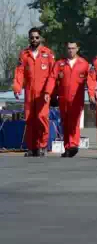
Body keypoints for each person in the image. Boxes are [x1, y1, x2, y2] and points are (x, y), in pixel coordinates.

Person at [13, 27, 56, 157]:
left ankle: (42, 146)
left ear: (40, 38)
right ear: (29, 38)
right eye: (32, 37)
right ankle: (32, 148)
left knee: (42, 118)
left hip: (43, 93)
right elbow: (19, 72)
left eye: (37, 37)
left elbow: (52, 75)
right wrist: (17, 87)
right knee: (30, 119)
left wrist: (48, 92)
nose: (34, 39)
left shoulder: (48, 53)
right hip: (29, 92)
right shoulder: (24, 54)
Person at [43, 40, 90, 158]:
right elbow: (52, 78)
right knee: (65, 123)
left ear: (77, 49)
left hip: (77, 99)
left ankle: (73, 145)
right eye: (69, 48)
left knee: (74, 122)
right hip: (63, 98)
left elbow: (91, 80)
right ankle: (68, 147)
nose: (71, 50)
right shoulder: (60, 64)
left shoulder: (84, 64)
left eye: (73, 48)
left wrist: (92, 96)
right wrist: (48, 92)